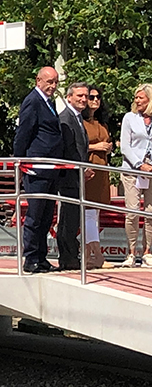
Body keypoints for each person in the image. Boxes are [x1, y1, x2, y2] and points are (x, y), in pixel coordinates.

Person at [13, 66, 63, 273]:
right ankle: (31, 258)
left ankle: (41, 257)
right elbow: (23, 132)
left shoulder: (48, 102)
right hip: (37, 168)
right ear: (38, 80)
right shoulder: (32, 101)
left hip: (50, 168)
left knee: (45, 216)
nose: (52, 86)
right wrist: (20, 160)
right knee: (35, 215)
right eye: (49, 81)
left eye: (55, 82)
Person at [56, 82, 92, 270]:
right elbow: (68, 149)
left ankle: (70, 256)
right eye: (79, 95)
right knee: (68, 219)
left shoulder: (77, 118)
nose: (84, 99)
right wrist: (79, 168)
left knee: (72, 217)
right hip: (69, 175)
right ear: (69, 97)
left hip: (77, 174)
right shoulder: (66, 118)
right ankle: (68, 258)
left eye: (86, 96)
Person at [119, 83, 152, 267]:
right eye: (136, 97)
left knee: (150, 213)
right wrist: (140, 165)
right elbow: (125, 147)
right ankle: (131, 253)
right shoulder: (129, 118)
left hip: (151, 172)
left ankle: (147, 252)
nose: (137, 100)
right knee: (132, 212)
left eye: (141, 97)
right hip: (132, 170)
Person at [82, 86, 112, 269]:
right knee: (89, 213)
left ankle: (87, 255)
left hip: (102, 170)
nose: (95, 100)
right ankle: (98, 254)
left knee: (95, 214)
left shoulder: (102, 123)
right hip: (89, 169)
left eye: (98, 97)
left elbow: (105, 142)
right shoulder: (81, 122)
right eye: (91, 97)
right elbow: (76, 145)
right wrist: (96, 147)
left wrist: (106, 147)